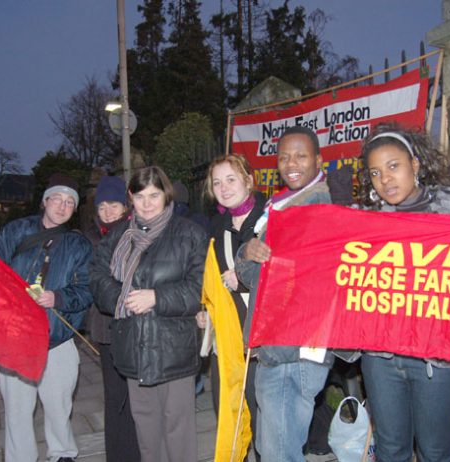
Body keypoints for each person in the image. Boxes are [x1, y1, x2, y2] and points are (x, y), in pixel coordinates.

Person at [357, 122, 450, 462]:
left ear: (416, 165)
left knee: (435, 452)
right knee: (391, 450)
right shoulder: (365, 221)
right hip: (380, 360)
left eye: (394, 166)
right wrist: (255, 248)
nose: (385, 179)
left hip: (437, 360)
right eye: (376, 172)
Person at [89, 166, 207, 462]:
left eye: (154, 195)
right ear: (130, 197)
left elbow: (200, 288)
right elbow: (98, 277)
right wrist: (122, 297)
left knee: (178, 431)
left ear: (166, 194)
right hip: (133, 346)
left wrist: (156, 297)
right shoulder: (118, 236)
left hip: (174, 348)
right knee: (146, 430)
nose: (147, 203)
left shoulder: (189, 233)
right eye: (140, 196)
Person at [235, 126, 335, 462]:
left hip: (292, 352)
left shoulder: (318, 211)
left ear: (319, 160)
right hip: (274, 346)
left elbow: (313, 289)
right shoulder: (279, 208)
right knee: (274, 447)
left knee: (279, 451)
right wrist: (247, 252)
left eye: (301, 155)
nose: (291, 163)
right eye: (284, 157)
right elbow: (254, 277)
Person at [0, 173, 93, 462]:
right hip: (15, 338)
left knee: (59, 405)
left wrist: (57, 298)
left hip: (56, 338)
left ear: (74, 210)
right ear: (45, 200)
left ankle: (62, 454)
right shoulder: (15, 231)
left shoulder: (79, 245)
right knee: (18, 408)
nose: (62, 206)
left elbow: (86, 290)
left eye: (69, 202)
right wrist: (11, 295)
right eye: (57, 199)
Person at [196, 154, 266, 459]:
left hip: (263, 340)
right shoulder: (216, 228)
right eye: (217, 182)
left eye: (231, 179)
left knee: (264, 420)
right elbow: (210, 279)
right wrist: (207, 309)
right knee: (231, 414)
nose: (224, 188)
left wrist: (247, 279)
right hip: (227, 341)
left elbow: (289, 275)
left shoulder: (271, 219)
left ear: (248, 181)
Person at [85, 175, 140, 462]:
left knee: (136, 397)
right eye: (102, 205)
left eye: (114, 205)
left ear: (125, 206)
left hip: (133, 326)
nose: (108, 211)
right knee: (114, 397)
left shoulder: (136, 232)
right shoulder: (91, 237)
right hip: (104, 328)